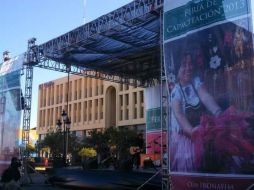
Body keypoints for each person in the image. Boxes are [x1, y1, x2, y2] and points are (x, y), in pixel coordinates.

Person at [170, 52, 222, 172]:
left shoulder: (196, 82)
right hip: (185, 141)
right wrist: (191, 131)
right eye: (184, 64)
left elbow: (205, 96)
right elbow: (179, 115)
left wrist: (218, 112)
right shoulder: (175, 92)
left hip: (202, 137)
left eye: (190, 63)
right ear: (178, 69)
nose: (188, 67)